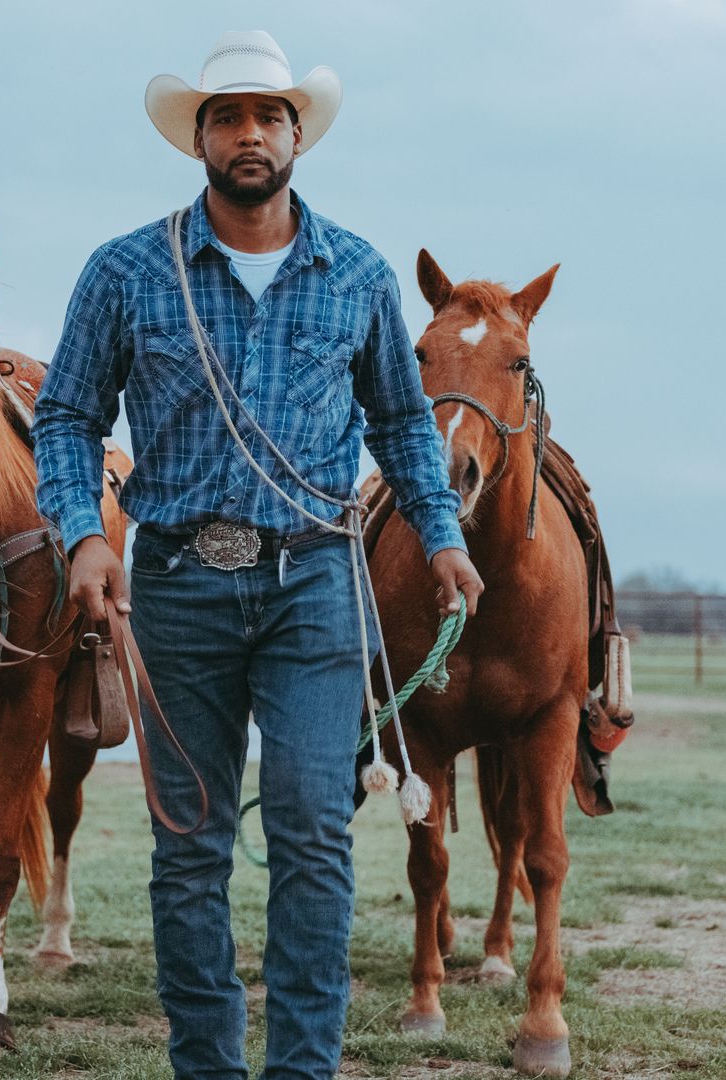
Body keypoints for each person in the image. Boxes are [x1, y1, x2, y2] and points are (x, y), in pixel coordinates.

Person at [31, 30, 484, 1080]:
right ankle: (207, 1069)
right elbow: (64, 418)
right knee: (187, 849)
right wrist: (85, 534)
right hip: (180, 586)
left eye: (267, 116)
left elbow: (406, 427)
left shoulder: (360, 273)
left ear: (296, 135)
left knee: (313, 839)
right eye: (227, 115)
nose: (248, 134)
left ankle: (302, 1071)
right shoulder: (124, 271)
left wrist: (447, 537)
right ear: (199, 135)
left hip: (317, 583)